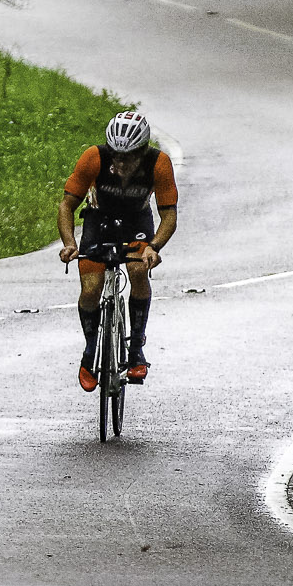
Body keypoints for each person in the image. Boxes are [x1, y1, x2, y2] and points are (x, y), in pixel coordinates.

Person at [58, 110, 177, 391]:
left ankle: (136, 348)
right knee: (90, 288)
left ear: (142, 150)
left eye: (129, 156)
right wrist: (69, 243)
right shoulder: (94, 157)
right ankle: (90, 354)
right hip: (99, 220)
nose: (120, 162)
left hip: (137, 221)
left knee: (137, 271)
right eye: (116, 155)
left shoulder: (158, 163)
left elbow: (169, 216)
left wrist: (154, 247)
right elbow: (66, 205)